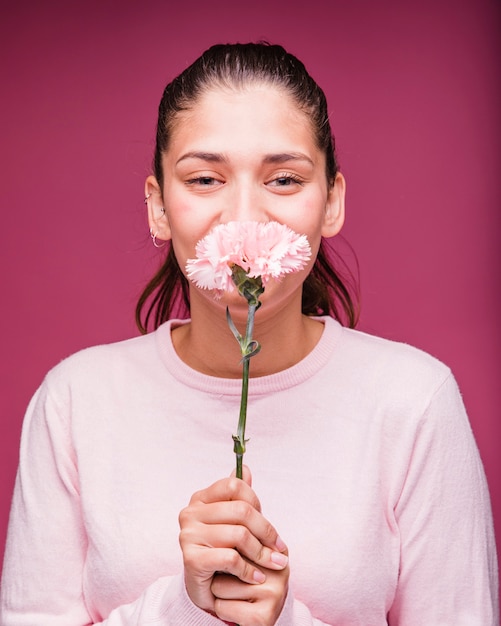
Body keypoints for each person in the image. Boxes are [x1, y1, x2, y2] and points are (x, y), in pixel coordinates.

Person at [0, 42, 498, 626]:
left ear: (331, 202)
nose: (243, 219)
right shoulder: (74, 403)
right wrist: (183, 607)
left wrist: (284, 619)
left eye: (284, 179)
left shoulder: (415, 402)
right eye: (205, 179)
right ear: (158, 207)